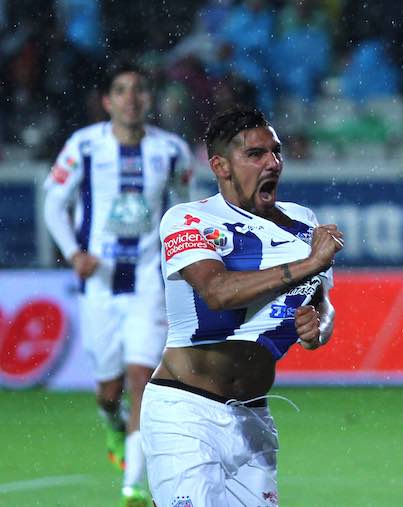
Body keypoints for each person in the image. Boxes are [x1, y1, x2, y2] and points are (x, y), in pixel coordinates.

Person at [140, 106, 343, 507]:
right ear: (221, 166)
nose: (273, 163)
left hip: (252, 420)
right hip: (185, 412)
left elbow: (322, 301)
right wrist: (308, 263)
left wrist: (319, 326)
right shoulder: (188, 219)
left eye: (276, 152)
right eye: (255, 154)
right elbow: (216, 291)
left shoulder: (304, 222)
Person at [43, 61, 193, 507]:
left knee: (141, 377)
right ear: (108, 102)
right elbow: (54, 203)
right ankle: (112, 420)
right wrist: (74, 253)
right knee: (110, 391)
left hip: (148, 280)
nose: (132, 98)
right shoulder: (84, 147)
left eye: (140, 90)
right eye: (122, 91)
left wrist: (182, 261)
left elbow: (187, 210)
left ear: (149, 100)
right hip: (100, 286)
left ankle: (132, 486)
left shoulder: (172, 152)